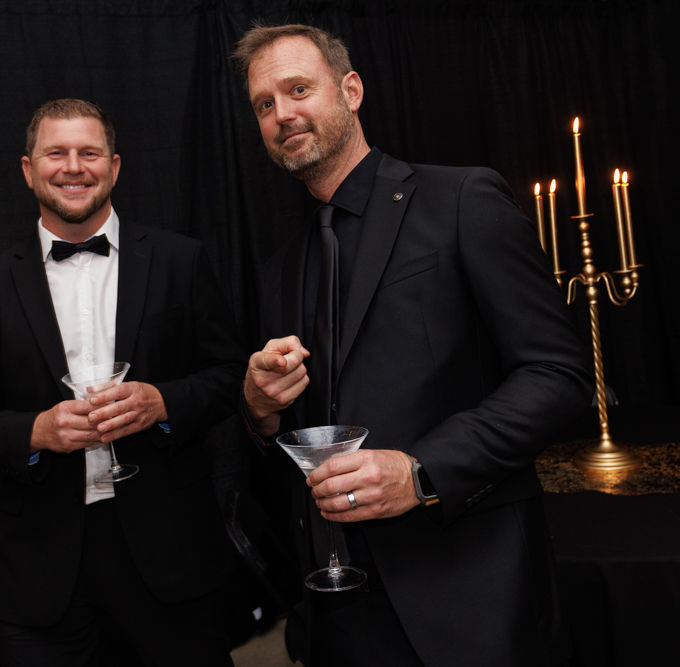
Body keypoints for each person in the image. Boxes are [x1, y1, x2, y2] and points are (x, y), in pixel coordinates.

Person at [233, 24, 593, 666]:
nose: (282, 113)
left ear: (351, 90)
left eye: (298, 89)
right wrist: (260, 411)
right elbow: (291, 444)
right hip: (336, 614)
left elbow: (558, 375)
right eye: (264, 103)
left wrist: (422, 473)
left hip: (470, 597)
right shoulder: (280, 267)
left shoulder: (461, 199)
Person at [0, 99, 244, 667]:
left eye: (89, 153)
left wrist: (161, 402)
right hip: (39, 563)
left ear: (115, 166)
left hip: (170, 549)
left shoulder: (180, 260)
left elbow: (232, 378)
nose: (74, 167)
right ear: (29, 169)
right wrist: (37, 431)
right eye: (56, 153)